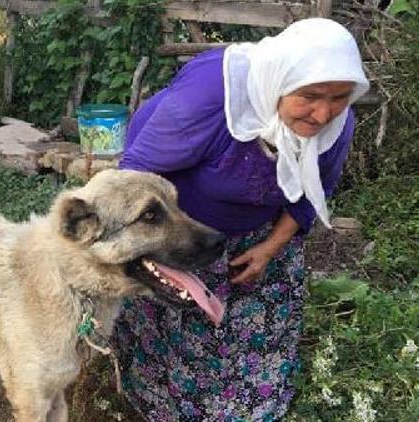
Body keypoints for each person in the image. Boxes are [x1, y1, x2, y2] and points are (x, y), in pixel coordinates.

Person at [112, 18, 370, 421]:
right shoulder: (212, 96)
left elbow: (313, 193)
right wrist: (160, 248)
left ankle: (250, 409)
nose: (323, 114)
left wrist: (269, 248)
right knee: (178, 329)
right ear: (279, 81)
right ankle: (165, 406)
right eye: (310, 96)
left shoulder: (337, 124)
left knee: (261, 332)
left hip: (260, 235)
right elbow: (135, 177)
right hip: (181, 231)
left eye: (339, 97)